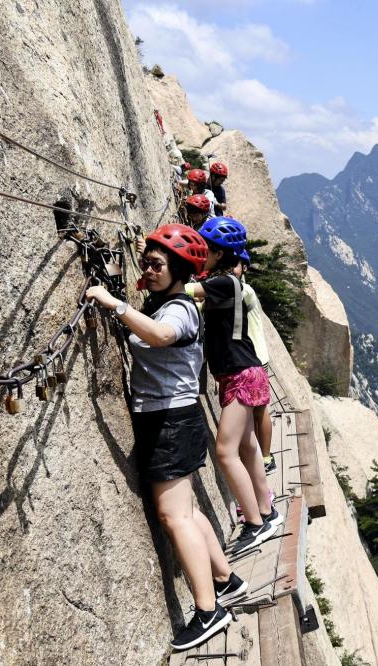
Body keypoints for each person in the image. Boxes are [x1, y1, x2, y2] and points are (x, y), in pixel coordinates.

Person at [85, 224, 248, 651]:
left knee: (172, 515)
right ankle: (225, 579)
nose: (149, 270)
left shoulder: (179, 309)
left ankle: (209, 611)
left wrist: (113, 303)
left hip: (171, 421)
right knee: (187, 510)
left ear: (179, 270)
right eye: (148, 263)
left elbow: (160, 335)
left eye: (158, 265)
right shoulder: (164, 301)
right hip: (174, 418)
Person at [188, 216, 283, 555]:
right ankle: (268, 512)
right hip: (244, 372)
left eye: (205, 250)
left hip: (240, 374)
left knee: (226, 453)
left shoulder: (224, 283)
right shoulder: (229, 282)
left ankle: (255, 523)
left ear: (217, 253)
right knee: (247, 448)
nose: (201, 255)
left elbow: (186, 291)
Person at [234, 249, 276, 474]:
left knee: (259, 412)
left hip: (255, 359)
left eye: (236, 263)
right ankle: (264, 456)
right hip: (256, 356)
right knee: (259, 411)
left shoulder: (244, 290)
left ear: (245, 267)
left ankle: (266, 457)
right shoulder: (241, 288)